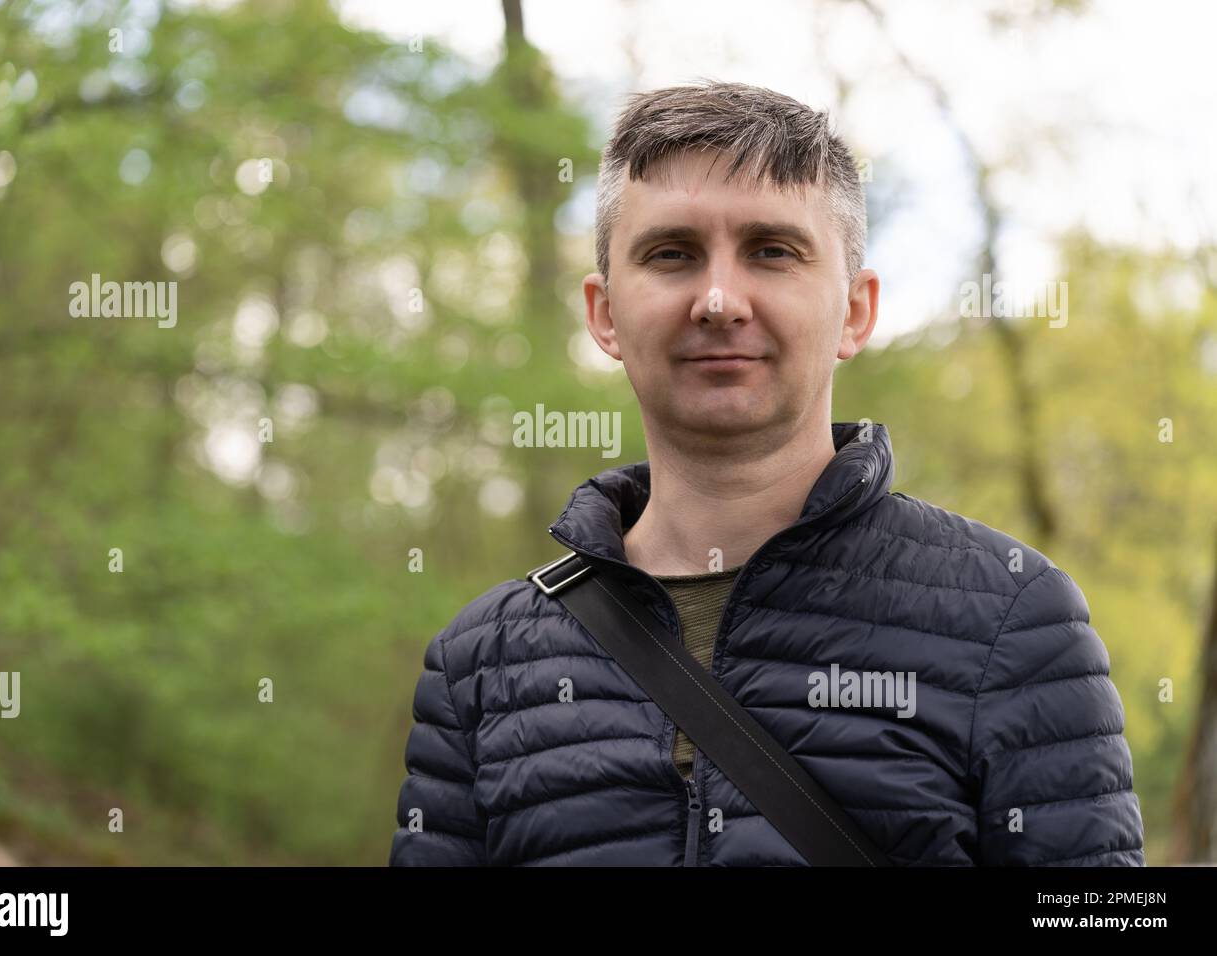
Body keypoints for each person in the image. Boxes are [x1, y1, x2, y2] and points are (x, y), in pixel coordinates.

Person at [388, 80, 1145, 866]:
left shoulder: (1015, 620)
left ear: (855, 311)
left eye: (772, 252)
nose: (719, 300)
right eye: (672, 254)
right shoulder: (481, 664)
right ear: (604, 314)